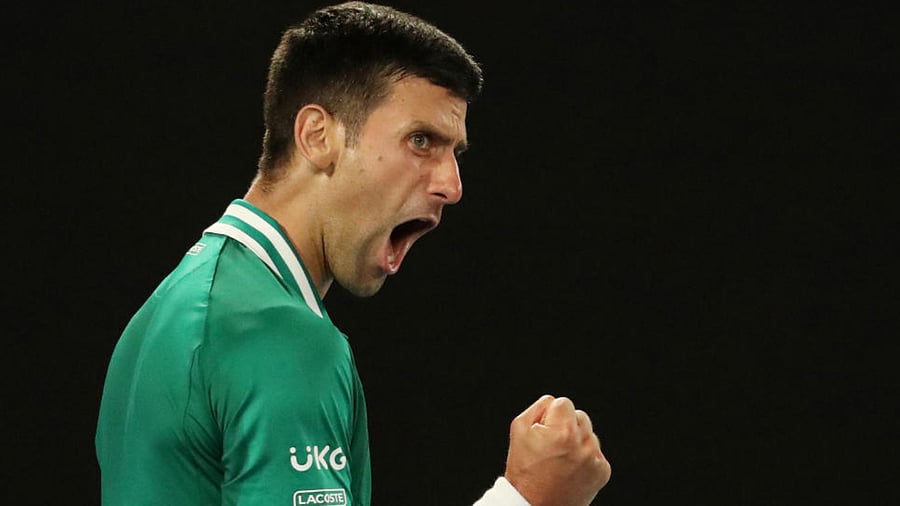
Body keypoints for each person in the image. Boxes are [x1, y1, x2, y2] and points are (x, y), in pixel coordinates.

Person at [95, 2, 611, 505]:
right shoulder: (278, 337)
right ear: (318, 136)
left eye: (454, 152)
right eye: (420, 140)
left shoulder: (173, 305)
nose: (452, 185)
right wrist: (527, 500)